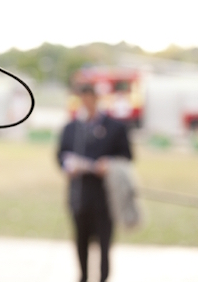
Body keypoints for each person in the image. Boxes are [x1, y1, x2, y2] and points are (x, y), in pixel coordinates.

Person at [57, 83, 132, 282]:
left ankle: (103, 278)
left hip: (105, 197)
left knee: (105, 244)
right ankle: (82, 276)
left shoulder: (115, 127)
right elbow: (60, 155)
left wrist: (110, 164)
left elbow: (127, 157)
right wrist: (68, 165)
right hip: (79, 196)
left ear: (97, 99)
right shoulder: (71, 128)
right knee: (81, 241)